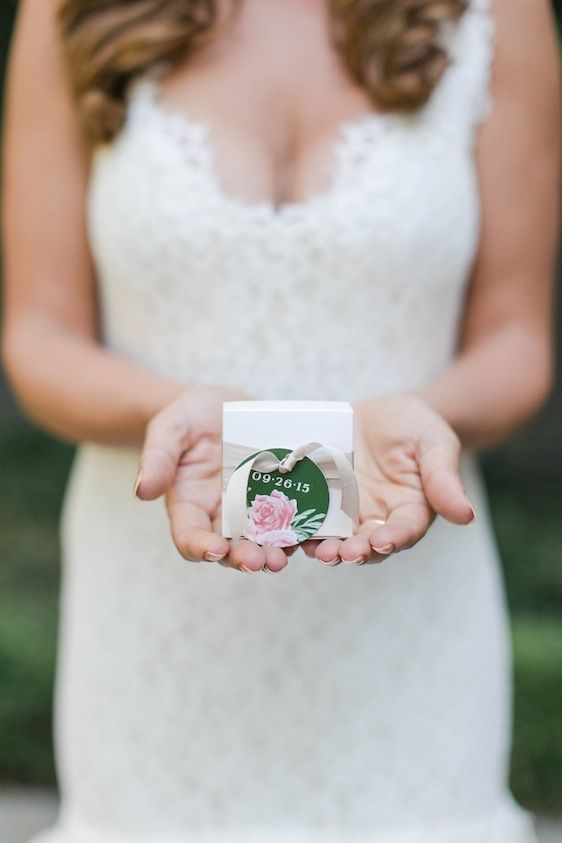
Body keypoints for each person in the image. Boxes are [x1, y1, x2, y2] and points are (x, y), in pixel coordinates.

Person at [2, 0, 560, 839]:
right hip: (155, 626)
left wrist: (425, 417)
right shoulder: (70, 10)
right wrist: (169, 414)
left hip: (408, 627)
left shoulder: (500, 12)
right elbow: (38, 335)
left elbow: (516, 340)